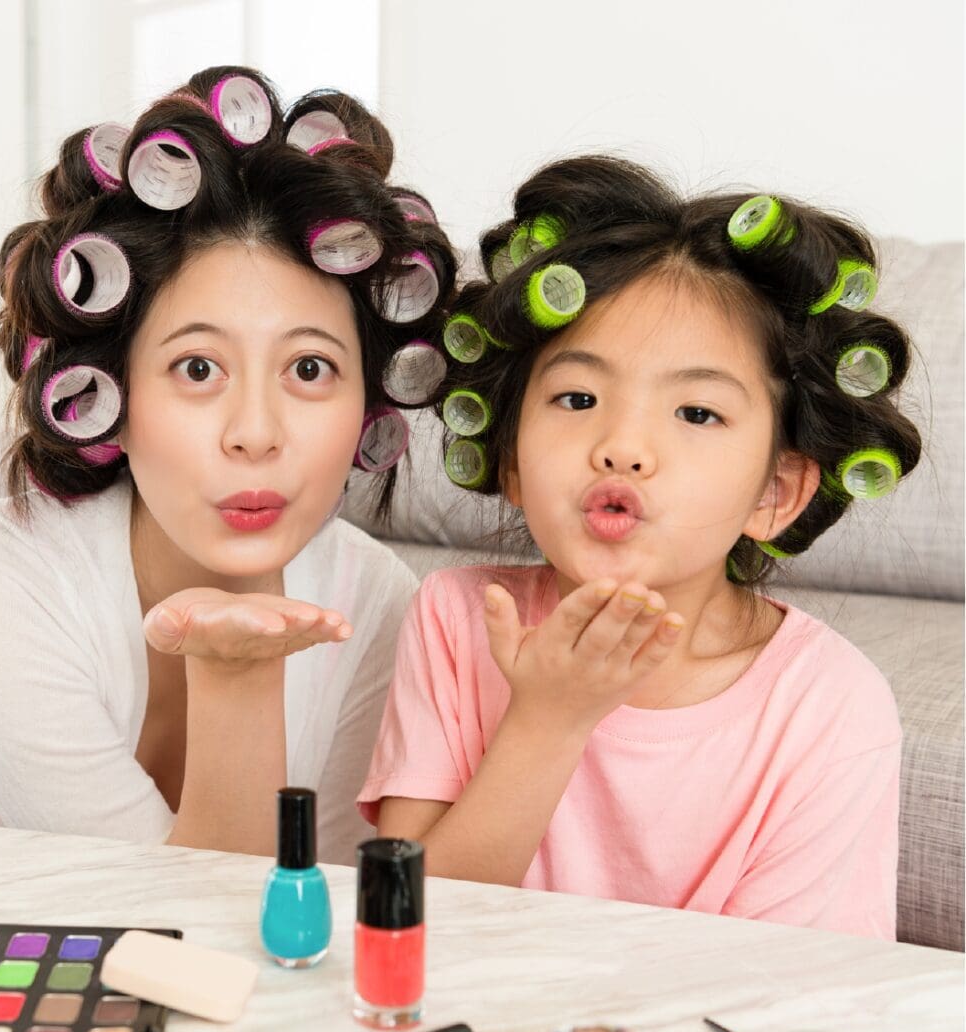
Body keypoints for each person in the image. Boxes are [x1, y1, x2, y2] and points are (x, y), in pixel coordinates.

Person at [0, 66, 459, 864]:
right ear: (113, 393)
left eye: (309, 370)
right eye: (198, 369)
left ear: (366, 405)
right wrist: (235, 676)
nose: (255, 433)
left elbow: (319, 897)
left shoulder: (375, 597)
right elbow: (174, 916)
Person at [358, 155, 923, 937]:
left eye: (696, 413)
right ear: (512, 459)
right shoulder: (458, 620)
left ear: (775, 493)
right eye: (578, 398)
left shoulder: (828, 705)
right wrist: (548, 721)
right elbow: (400, 929)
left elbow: (796, 997)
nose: (623, 447)